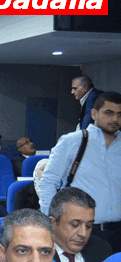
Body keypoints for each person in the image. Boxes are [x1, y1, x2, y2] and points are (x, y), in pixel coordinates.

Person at [38, 91, 121, 253]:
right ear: (94, 114)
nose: (115, 119)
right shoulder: (73, 141)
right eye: (109, 113)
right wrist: (51, 223)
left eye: (119, 114)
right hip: (84, 231)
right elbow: (48, 182)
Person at [48, 187, 112, 262]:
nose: (83, 233)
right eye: (75, 225)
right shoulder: (37, 256)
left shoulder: (102, 249)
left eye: (89, 226)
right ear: (53, 223)